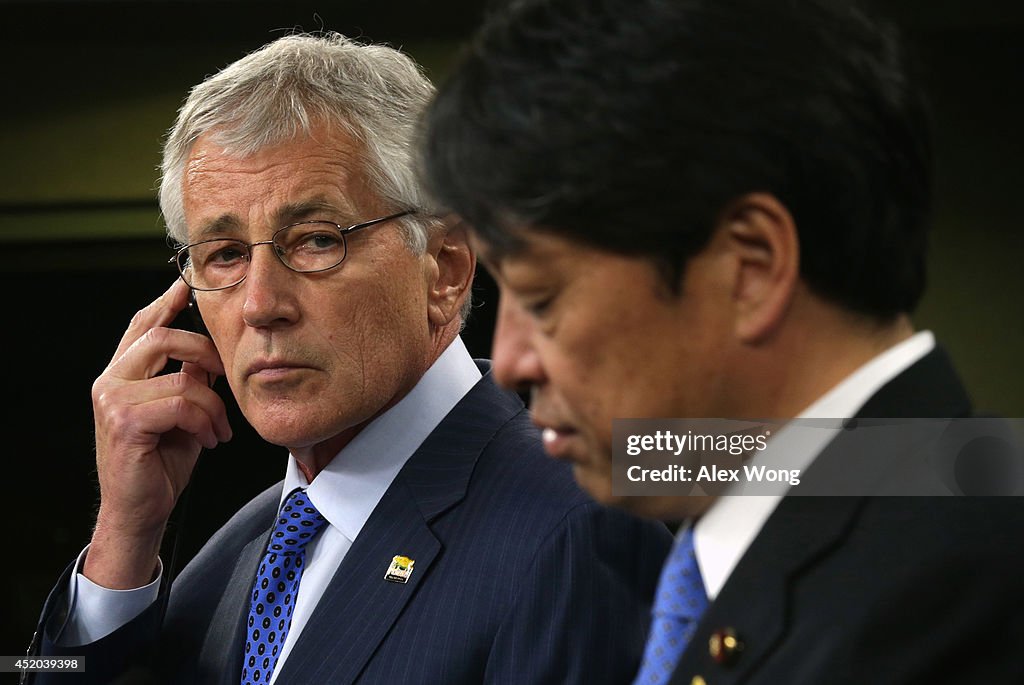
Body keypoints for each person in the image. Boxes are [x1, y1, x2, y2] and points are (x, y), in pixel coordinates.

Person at [26, 32, 673, 685]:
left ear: (445, 267)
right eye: (223, 254)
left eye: (314, 240)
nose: (258, 304)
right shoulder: (228, 558)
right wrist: (122, 539)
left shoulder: (577, 528)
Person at [420, 0, 1024, 683]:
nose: (511, 362)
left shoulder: (970, 595)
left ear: (750, 267)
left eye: (541, 298)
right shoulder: (770, 541)